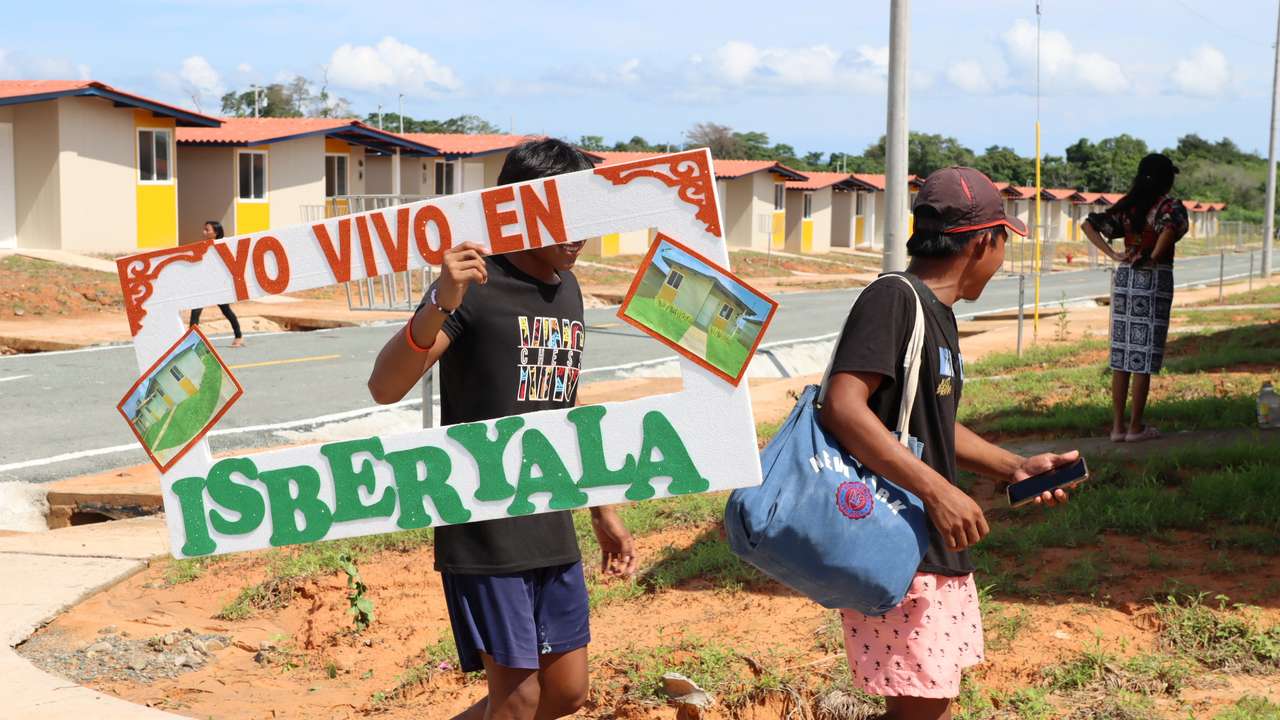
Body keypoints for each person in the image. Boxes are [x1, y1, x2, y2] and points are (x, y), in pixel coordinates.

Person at [367, 139, 636, 720]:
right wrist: (441, 300)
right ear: (518, 208)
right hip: (484, 519)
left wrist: (602, 505)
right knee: (518, 699)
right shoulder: (472, 286)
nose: (577, 232)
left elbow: (564, 397)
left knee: (566, 691)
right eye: (562, 215)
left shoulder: (568, 288)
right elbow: (384, 386)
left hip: (550, 512)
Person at [820, 167, 1078, 720]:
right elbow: (842, 405)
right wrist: (938, 492)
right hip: (898, 541)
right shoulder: (894, 298)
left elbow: (929, 423)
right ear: (985, 240)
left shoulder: (939, 316)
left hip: (931, 546)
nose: (1003, 256)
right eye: (1005, 240)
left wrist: (1015, 467)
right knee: (922, 710)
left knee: (928, 706)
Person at [1081, 154, 1188, 443]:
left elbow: (1089, 224)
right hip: (1153, 279)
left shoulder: (1128, 207)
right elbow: (1169, 228)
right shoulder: (1170, 206)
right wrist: (1153, 257)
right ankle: (1136, 427)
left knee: (1123, 355)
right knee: (1143, 355)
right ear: (1167, 179)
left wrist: (1114, 255)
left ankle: (1117, 427)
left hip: (1125, 278)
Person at [188, 221, 245, 348]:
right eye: (204, 229)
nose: (204, 232)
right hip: (204, 285)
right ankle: (192, 342)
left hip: (218, 286)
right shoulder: (202, 245)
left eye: (207, 230)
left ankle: (239, 336)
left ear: (216, 233)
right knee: (195, 311)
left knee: (226, 311)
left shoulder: (223, 246)